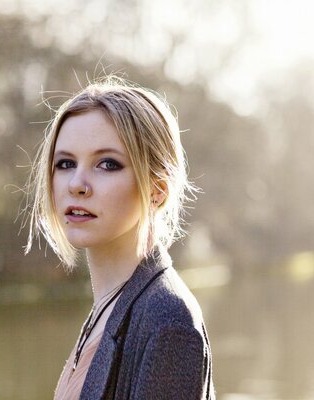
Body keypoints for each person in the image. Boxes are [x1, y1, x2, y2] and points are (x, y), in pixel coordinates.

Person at [24, 76, 214, 399]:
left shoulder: (168, 324)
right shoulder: (109, 308)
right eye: (66, 163)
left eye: (107, 164)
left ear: (157, 191)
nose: (77, 184)